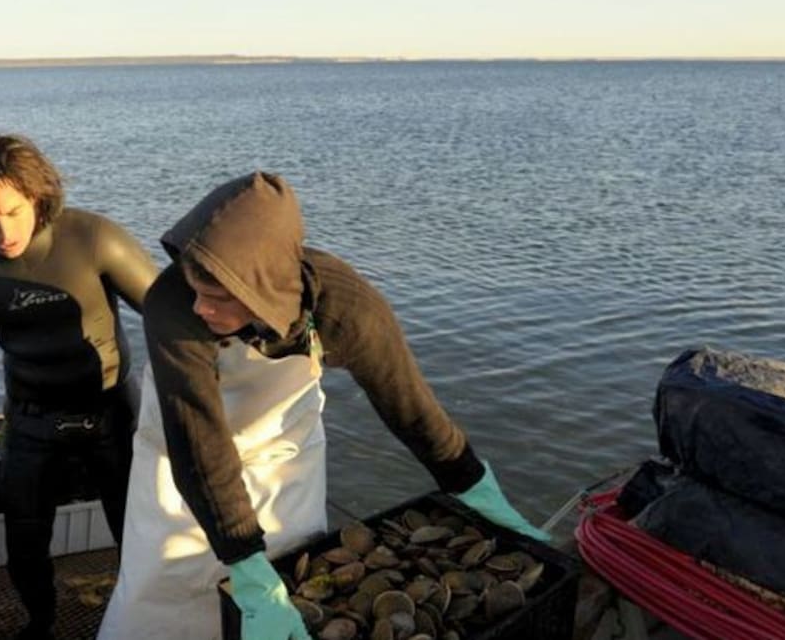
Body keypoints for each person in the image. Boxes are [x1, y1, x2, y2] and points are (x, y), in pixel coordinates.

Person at [98, 171, 549, 640]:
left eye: (216, 298)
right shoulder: (172, 306)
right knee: (163, 592)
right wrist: (246, 567)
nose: (200, 309)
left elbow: (412, 409)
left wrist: (473, 484)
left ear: (262, 291)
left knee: (298, 579)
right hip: (182, 462)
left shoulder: (347, 308)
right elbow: (199, 442)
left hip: (284, 456)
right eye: (196, 288)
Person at [0, 134, 159, 640]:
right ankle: (41, 622)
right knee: (26, 542)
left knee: (137, 534)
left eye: (13, 211)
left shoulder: (94, 239)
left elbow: (169, 314)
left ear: (38, 197)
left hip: (112, 411)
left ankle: (144, 621)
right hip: (31, 419)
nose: (3, 231)